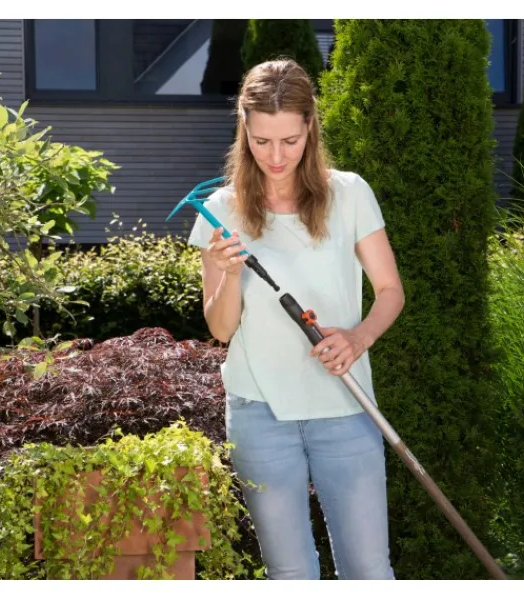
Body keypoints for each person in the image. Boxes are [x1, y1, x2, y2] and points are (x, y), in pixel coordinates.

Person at [187, 58, 405, 580]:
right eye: (262, 141)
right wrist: (221, 272)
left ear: (310, 126)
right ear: (244, 128)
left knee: (369, 571)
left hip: (344, 404)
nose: (277, 155)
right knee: (290, 575)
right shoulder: (222, 208)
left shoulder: (349, 194)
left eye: (289, 140)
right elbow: (220, 329)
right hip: (260, 412)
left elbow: (391, 291)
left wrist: (358, 337)